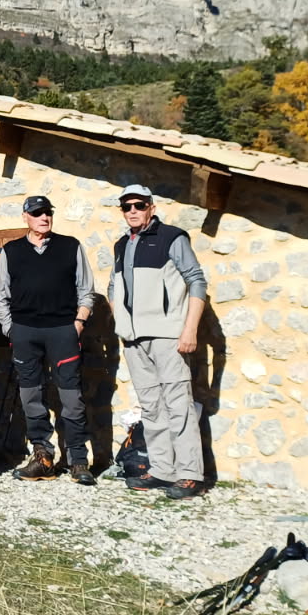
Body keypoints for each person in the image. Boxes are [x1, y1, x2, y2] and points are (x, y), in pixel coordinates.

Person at [108, 184, 210, 501]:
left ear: (151, 207)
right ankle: (164, 470)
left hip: (169, 335)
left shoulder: (172, 237)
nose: (133, 211)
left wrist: (189, 330)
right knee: (151, 408)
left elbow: (196, 281)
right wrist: (123, 323)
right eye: (127, 206)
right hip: (134, 340)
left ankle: (190, 475)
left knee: (179, 405)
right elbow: (114, 287)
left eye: (139, 205)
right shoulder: (121, 244)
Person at [0, 195, 97, 485]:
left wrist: (78, 323)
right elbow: (0, 295)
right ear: (25, 217)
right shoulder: (11, 250)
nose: (44, 217)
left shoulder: (70, 246)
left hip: (63, 330)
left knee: (71, 397)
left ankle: (78, 460)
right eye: (37, 213)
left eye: (47, 212)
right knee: (31, 397)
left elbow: (86, 290)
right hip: (25, 332)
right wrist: (11, 328)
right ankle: (43, 458)